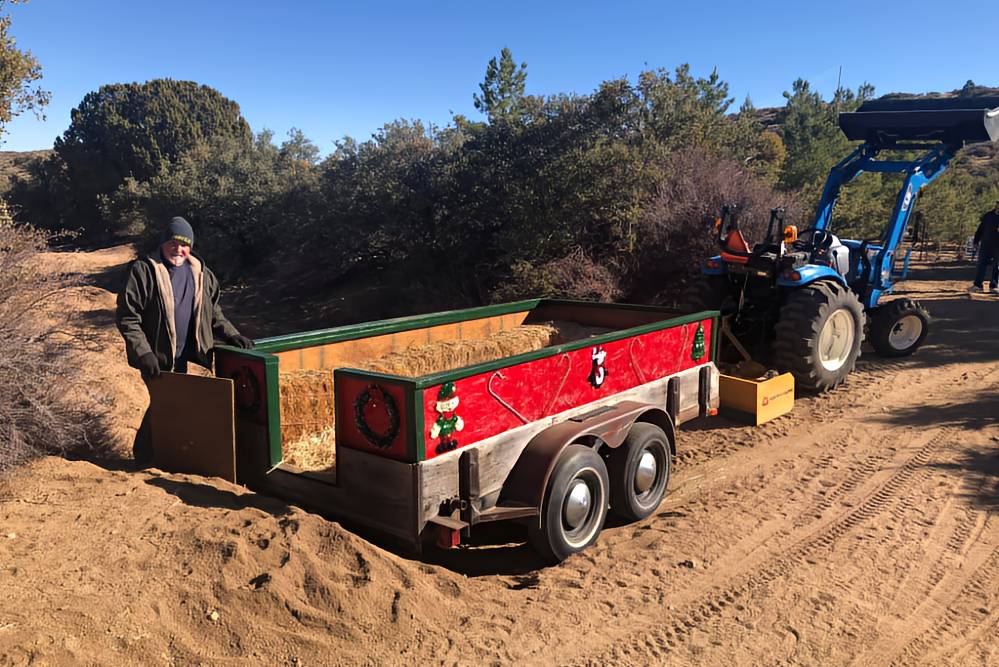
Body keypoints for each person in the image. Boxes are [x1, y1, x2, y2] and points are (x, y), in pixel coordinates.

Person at [116, 216, 254, 462]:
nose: (178, 249)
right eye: (173, 242)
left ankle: (165, 455)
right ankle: (145, 457)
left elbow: (213, 312)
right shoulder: (144, 270)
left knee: (173, 404)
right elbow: (128, 317)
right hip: (156, 357)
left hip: (182, 355)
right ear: (163, 243)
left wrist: (232, 334)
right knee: (165, 402)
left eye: (184, 244)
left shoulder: (200, 272)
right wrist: (144, 352)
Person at [971, 200, 999, 294]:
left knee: (997, 266)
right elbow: (980, 228)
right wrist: (976, 241)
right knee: (981, 264)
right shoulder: (988, 215)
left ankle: (993, 286)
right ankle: (977, 285)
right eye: (997, 204)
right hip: (985, 245)